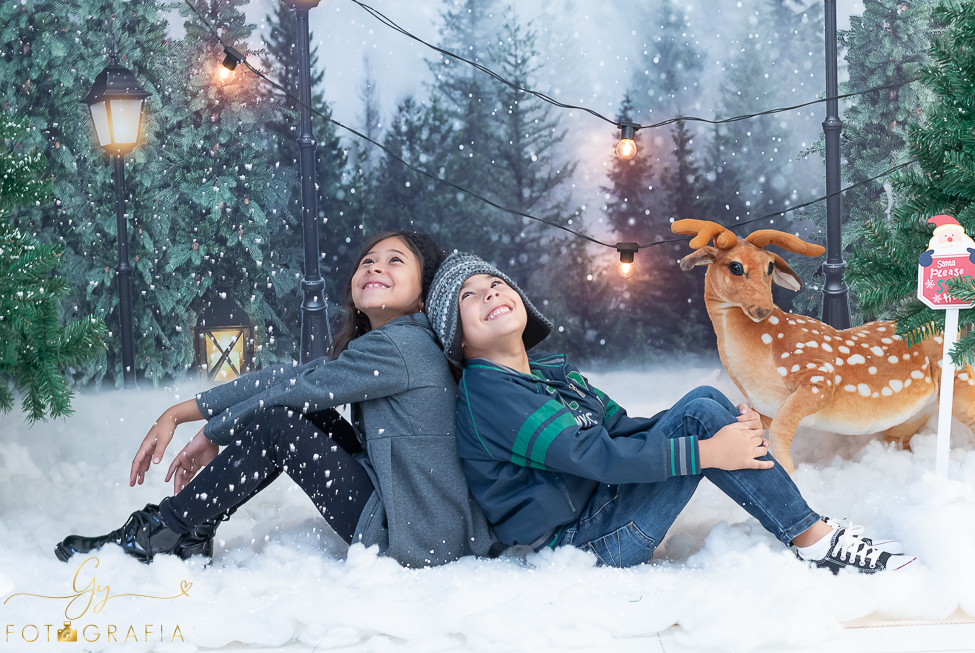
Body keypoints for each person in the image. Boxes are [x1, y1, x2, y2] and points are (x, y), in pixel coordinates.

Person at [425, 252, 916, 574]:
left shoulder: (549, 371)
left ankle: (808, 529)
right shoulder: (489, 393)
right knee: (702, 421)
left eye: (495, 282)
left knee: (704, 401)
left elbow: (618, 428)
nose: (489, 292)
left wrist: (724, 430)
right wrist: (706, 449)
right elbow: (596, 457)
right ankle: (815, 539)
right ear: (457, 336)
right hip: (580, 547)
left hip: (602, 504)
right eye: (469, 295)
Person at [55, 232, 502, 568]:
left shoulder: (403, 346)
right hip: (418, 515)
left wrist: (212, 431)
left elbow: (294, 392)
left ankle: (166, 532)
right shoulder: (390, 345)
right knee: (305, 413)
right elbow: (294, 377)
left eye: (394, 261)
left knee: (278, 425)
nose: (373, 267)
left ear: (422, 296)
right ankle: (187, 528)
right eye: (366, 261)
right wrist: (181, 413)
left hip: (417, 535)